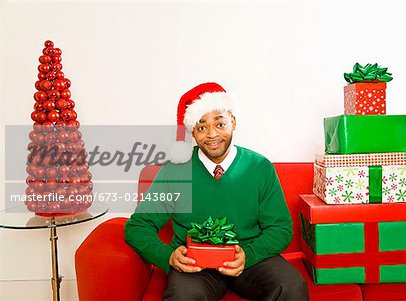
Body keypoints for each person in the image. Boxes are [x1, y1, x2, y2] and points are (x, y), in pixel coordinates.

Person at [124, 82, 309, 300]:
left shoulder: (260, 167)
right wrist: (169, 257)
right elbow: (137, 226)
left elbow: (280, 228)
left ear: (233, 122)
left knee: (292, 287)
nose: (212, 135)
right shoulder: (176, 171)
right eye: (202, 127)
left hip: (248, 257)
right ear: (192, 132)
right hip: (195, 264)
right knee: (183, 297)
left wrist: (248, 255)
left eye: (220, 124)